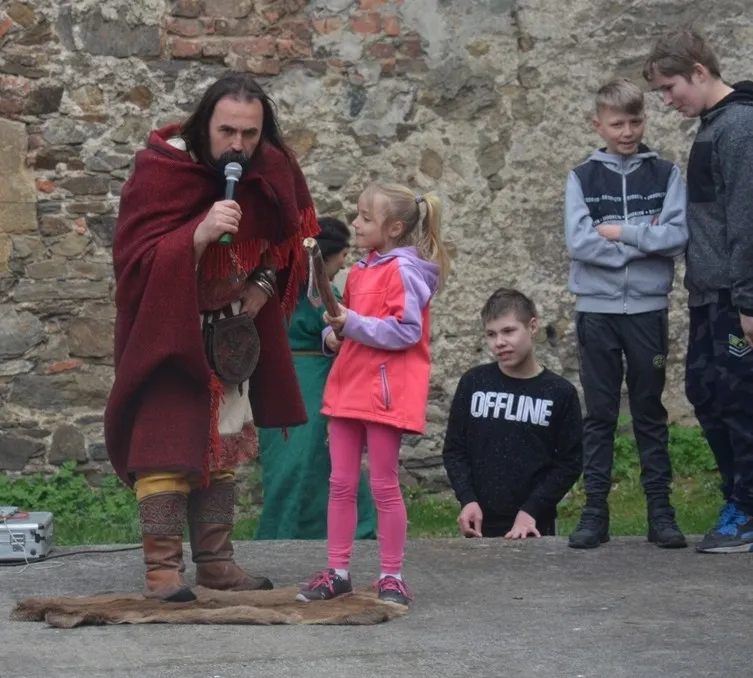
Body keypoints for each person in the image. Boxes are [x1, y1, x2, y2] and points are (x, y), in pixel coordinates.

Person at [104, 73, 318, 601]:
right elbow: (132, 263)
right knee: (163, 448)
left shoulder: (270, 170)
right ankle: (162, 571)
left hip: (230, 337)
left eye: (250, 133)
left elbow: (283, 246)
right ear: (205, 125)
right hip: (166, 333)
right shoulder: (163, 170)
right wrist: (197, 235)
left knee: (223, 449)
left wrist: (262, 289)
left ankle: (217, 562)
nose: (238, 145)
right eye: (227, 132)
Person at [295, 183, 451, 607]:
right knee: (340, 483)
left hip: (384, 394)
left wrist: (352, 324)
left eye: (365, 218)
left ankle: (391, 576)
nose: (356, 224)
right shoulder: (361, 271)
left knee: (383, 485)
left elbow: (406, 331)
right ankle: (338, 572)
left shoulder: (405, 272)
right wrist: (332, 336)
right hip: (348, 388)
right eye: (358, 215)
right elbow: (349, 325)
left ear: (395, 228)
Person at [564, 78, 689, 550]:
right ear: (598, 124)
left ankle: (661, 512)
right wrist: (643, 242)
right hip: (596, 312)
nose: (628, 132)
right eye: (617, 123)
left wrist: (620, 233)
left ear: (645, 120)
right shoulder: (581, 177)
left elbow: (676, 237)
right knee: (599, 415)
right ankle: (595, 512)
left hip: (647, 311)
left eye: (635, 121)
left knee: (649, 412)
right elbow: (579, 242)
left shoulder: (666, 174)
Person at [643, 29, 753, 553]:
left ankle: (747, 510)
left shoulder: (741, 127)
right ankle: (738, 497)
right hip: (708, 294)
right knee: (706, 393)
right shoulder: (713, 126)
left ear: (700, 72)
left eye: (670, 88)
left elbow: (747, 221)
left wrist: (748, 301)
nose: (667, 101)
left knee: (740, 402)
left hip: (736, 297)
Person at [255, 217, 376, 541]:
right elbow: (324, 323)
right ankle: (285, 531)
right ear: (328, 255)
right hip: (300, 383)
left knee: (317, 459)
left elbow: (327, 328)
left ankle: (329, 529)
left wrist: (331, 336)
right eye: (342, 257)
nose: (343, 265)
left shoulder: (310, 288)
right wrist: (332, 336)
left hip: (294, 380)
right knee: (294, 461)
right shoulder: (307, 288)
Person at [442, 288, 583, 539]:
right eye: (491, 334)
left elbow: (569, 463)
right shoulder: (474, 383)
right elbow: (454, 450)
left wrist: (532, 510)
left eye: (508, 331)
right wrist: (467, 499)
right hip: (480, 525)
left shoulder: (560, 393)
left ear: (533, 327)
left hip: (534, 526)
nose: (499, 342)